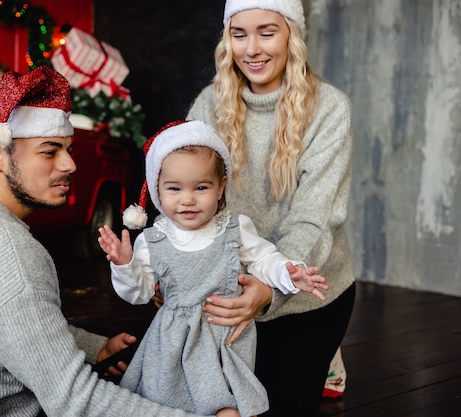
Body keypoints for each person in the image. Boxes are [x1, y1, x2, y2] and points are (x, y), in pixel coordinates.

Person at [0, 66, 238, 417]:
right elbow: (75, 401)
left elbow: (5, 318)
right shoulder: (6, 250)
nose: (69, 164)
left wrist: (93, 348)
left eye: (68, 149)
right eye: (49, 151)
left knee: (106, 339)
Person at [185, 1, 356, 416]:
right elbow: (185, 195)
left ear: (292, 37)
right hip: (228, 289)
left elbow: (312, 219)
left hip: (304, 292)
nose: (252, 49)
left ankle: (323, 357)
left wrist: (269, 289)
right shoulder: (210, 105)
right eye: (239, 34)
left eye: (267, 32)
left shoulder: (329, 108)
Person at [97, 120, 329, 417]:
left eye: (201, 187)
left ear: (221, 187)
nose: (188, 199)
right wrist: (125, 264)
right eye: (174, 188)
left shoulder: (234, 229)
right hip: (172, 345)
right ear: (157, 189)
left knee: (229, 408)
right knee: (168, 405)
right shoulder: (153, 240)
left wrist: (288, 271)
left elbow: (263, 259)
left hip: (224, 339)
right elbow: (139, 293)